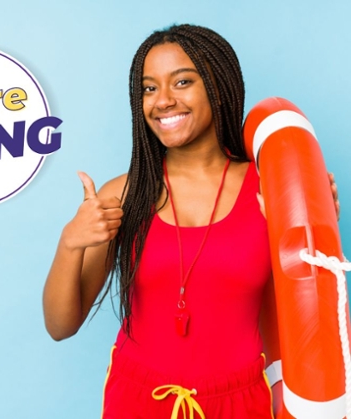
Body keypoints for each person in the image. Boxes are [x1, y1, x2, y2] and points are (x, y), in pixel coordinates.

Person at [43, 24, 340, 419]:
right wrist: (70, 243)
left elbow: (306, 307)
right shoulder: (124, 195)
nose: (163, 101)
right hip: (138, 398)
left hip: (239, 402)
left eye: (181, 82)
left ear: (217, 86)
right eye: (149, 88)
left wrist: (311, 219)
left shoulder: (268, 190)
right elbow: (61, 326)